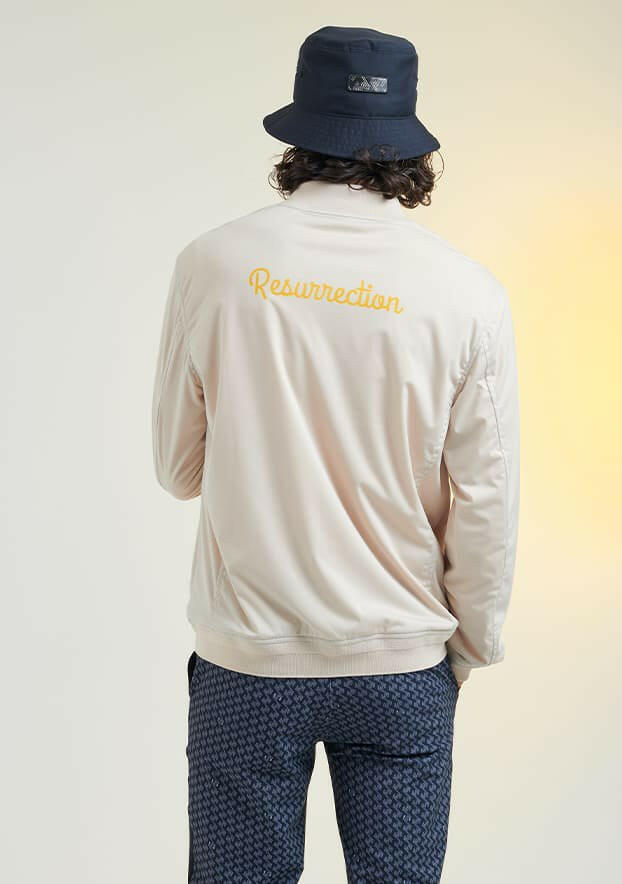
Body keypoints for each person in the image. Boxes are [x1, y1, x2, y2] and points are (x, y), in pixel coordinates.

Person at [151, 25, 520, 884]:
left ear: (300, 130)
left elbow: (176, 468)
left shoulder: (213, 263)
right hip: (401, 664)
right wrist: (470, 647)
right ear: (410, 145)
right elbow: (488, 497)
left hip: (250, 660)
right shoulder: (467, 293)